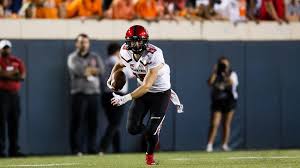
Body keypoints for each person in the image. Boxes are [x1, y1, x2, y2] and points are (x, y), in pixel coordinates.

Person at [106, 25, 183, 165]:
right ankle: (151, 132)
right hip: (143, 93)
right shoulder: (124, 51)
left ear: (145, 41)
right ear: (127, 42)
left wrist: (125, 98)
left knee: (151, 131)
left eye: (139, 41)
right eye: (133, 41)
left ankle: (150, 157)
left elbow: (147, 85)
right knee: (132, 128)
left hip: (160, 94)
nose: (136, 44)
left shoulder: (155, 53)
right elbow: (119, 64)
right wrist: (111, 79)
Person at [67, 33, 105, 155]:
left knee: (93, 123)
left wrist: (90, 71)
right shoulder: (72, 57)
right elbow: (79, 71)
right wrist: (91, 71)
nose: (84, 44)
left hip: (94, 94)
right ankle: (76, 149)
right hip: (79, 94)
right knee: (77, 123)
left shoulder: (95, 56)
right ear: (76, 43)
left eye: (86, 42)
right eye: (81, 42)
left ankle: (92, 149)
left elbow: (102, 70)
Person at [98, 43, 132, 154]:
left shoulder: (105, 62)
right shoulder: (115, 60)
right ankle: (102, 148)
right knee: (114, 123)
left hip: (106, 95)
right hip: (116, 95)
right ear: (117, 51)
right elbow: (130, 73)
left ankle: (116, 149)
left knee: (114, 123)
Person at [206, 56, 238, 152]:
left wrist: (225, 74)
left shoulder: (232, 74)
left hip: (229, 100)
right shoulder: (216, 74)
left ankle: (224, 144)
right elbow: (209, 82)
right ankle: (209, 145)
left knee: (226, 124)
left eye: (225, 64)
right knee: (214, 123)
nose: (223, 66)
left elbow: (232, 83)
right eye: (221, 64)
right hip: (218, 101)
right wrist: (215, 71)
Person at [0, 40, 26, 157]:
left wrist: (7, 74)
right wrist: (13, 74)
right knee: (1, 123)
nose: (6, 50)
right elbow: (1, 75)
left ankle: (14, 150)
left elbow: (22, 76)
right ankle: (1, 151)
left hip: (14, 95)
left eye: (7, 48)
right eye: (3, 48)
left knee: (14, 123)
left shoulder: (16, 61)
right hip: (2, 95)